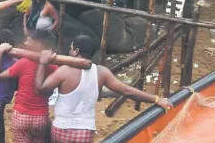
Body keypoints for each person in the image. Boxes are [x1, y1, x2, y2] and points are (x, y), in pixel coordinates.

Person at [34, 35, 173, 143]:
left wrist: (42, 63)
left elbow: (40, 88)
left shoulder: (64, 71)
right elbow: (127, 91)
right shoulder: (101, 72)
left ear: (76, 51)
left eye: (71, 48)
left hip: (62, 128)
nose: (69, 51)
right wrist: (156, 99)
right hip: (85, 130)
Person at [0, 29, 90, 143]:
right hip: (40, 117)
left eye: (28, 40)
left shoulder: (23, 62)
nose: (25, 42)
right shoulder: (54, 67)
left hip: (21, 116)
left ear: (38, 44)